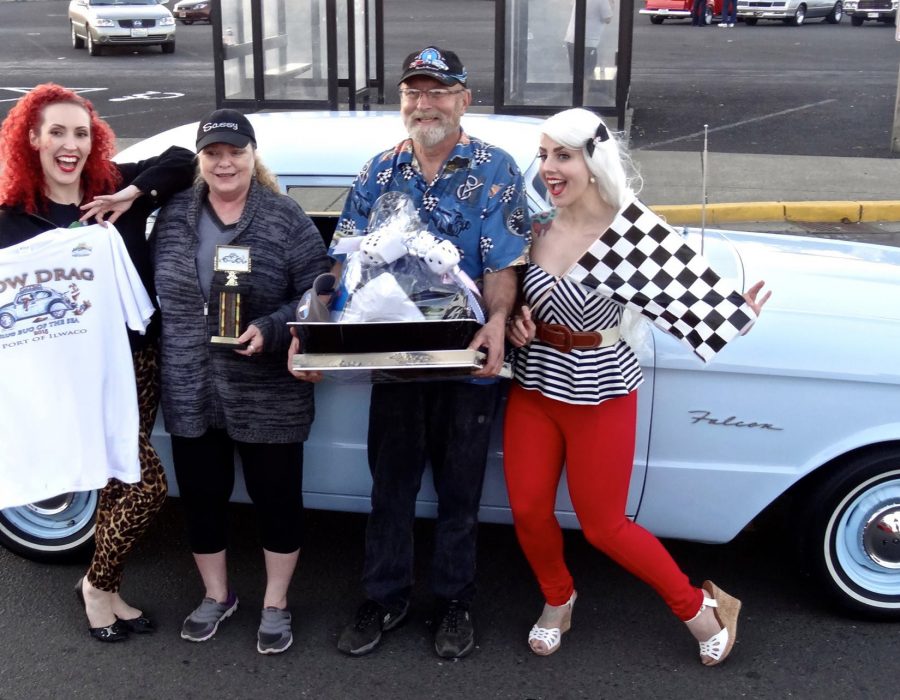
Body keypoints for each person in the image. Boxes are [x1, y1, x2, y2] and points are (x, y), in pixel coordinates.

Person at [503, 108, 771, 664]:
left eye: (563, 156)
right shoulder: (533, 228)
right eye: (544, 155)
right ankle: (558, 600)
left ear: (592, 161)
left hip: (600, 388)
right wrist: (514, 322)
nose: (549, 168)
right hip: (534, 384)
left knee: (604, 526)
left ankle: (700, 608)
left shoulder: (631, 234)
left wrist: (731, 314)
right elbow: (507, 303)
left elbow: (703, 314)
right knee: (528, 510)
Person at [320, 46, 530, 659]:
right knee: (390, 486)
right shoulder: (377, 171)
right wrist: (321, 327)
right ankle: (384, 596)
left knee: (461, 491)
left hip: (466, 359)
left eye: (438, 91)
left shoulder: (495, 169)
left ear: (464, 99)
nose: (424, 103)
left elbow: (503, 261)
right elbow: (344, 260)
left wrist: (496, 321)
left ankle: (455, 602)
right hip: (394, 359)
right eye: (414, 91)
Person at [0, 83, 195, 643]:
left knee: (116, 481)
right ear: (31, 138)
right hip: (71, 373)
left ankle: (106, 589)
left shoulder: (113, 187)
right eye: (56, 132)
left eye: (81, 132)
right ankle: (96, 585)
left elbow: (182, 160)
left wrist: (131, 194)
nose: (70, 144)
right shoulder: (13, 219)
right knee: (144, 484)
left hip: (138, 359)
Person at [151, 108, 330, 655]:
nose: (224, 162)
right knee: (202, 498)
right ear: (201, 161)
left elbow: (319, 292)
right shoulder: (175, 214)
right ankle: (216, 595)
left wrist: (274, 329)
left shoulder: (284, 218)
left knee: (277, 499)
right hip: (190, 385)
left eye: (236, 151)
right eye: (213, 153)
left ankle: (275, 603)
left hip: (267, 391)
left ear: (254, 156)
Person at [565, 0, 615, 78]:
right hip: (588, 42)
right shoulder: (603, 1)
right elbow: (607, 19)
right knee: (587, 76)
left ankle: (578, 90)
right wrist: (611, 4)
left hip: (571, 38)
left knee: (576, 75)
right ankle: (584, 90)